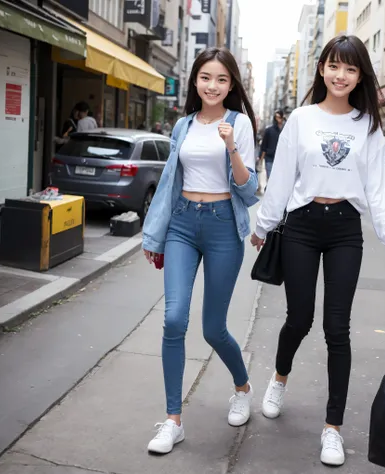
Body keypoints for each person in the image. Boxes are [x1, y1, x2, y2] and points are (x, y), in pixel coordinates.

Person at [250, 35, 385, 467]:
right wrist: (264, 225)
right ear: (321, 69)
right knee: (299, 318)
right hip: (301, 226)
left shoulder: (369, 126)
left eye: (351, 69)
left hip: (344, 230)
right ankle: (280, 377)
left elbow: (379, 190)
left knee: (337, 328)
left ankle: (333, 428)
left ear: (360, 76)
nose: (341, 76)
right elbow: (282, 176)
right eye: (334, 66)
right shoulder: (301, 119)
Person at [142, 47, 258, 455]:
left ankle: (242, 386)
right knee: (174, 318)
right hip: (182, 224)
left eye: (222, 79)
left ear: (231, 85)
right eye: (206, 77)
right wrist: (154, 235)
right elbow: (170, 184)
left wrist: (232, 148)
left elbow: (249, 189)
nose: (213, 85)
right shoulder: (182, 125)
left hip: (224, 226)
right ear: (195, 80)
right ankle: (173, 420)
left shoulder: (239, 124)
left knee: (212, 328)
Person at [260, 110, 285, 181]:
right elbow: (264, 146)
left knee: (279, 180)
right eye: (276, 117)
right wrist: (261, 161)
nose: (278, 119)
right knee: (270, 179)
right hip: (269, 158)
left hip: (281, 159)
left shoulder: (285, 130)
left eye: (279, 117)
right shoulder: (269, 130)